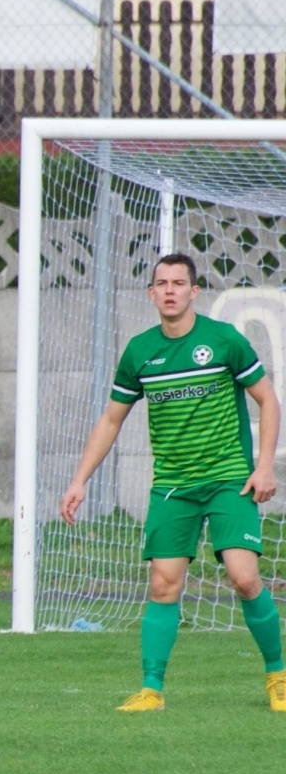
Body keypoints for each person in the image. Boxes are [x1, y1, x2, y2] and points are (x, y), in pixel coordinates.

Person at [61, 252, 286, 713]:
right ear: (151, 293)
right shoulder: (141, 352)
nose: (169, 290)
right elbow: (110, 420)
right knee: (163, 585)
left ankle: (278, 677)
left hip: (229, 481)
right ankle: (151, 690)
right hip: (173, 486)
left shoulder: (223, 341)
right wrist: (79, 480)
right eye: (161, 283)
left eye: (178, 283)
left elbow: (268, 401)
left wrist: (263, 467)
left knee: (244, 578)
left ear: (193, 291)